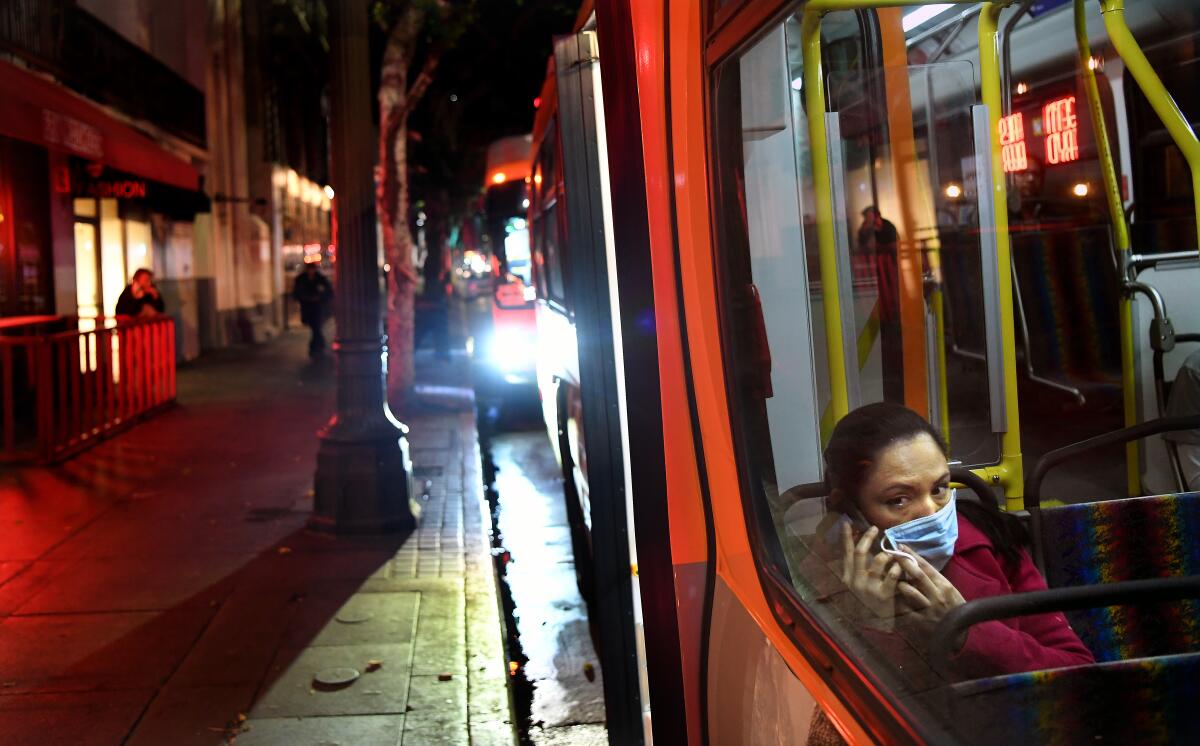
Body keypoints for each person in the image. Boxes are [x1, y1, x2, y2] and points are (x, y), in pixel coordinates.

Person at [807, 403, 1094, 745]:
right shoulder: (816, 581)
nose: (931, 512)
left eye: (940, 489)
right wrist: (874, 623)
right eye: (899, 500)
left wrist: (966, 630)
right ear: (851, 511)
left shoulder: (992, 539)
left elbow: (1078, 674)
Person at [856, 207, 903, 402]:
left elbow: (893, 246)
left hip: (888, 274)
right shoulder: (866, 229)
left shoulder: (887, 227)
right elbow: (862, 244)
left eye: (868, 216)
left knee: (891, 311)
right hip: (877, 274)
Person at [293, 262, 333, 357]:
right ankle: (318, 344)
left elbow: (328, 292)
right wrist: (306, 298)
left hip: (318, 306)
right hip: (307, 306)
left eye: (312, 269)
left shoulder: (320, 279)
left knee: (316, 326)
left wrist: (319, 298)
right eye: (309, 269)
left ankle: (315, 346)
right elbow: (297, 292)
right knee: (314, 327)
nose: (311, 271)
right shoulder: (301, 279)